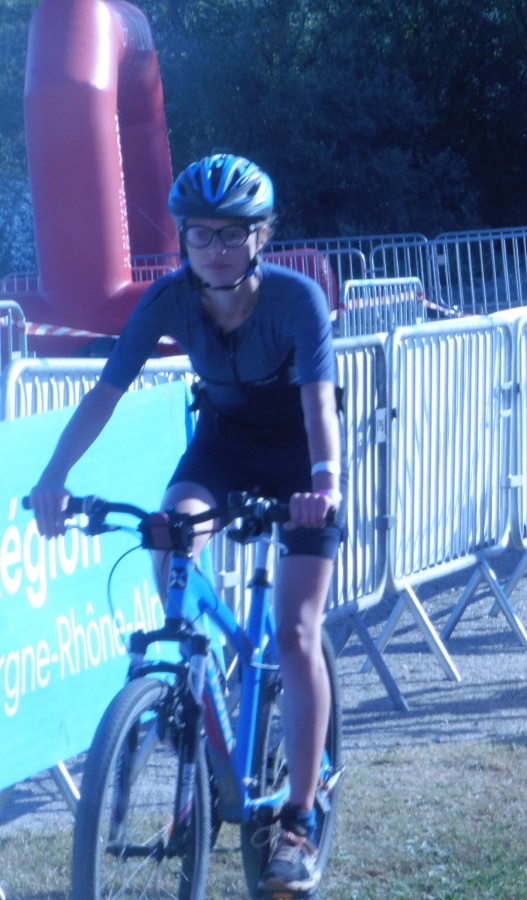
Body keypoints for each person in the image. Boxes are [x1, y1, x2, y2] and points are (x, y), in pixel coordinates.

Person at [27, 154, 345, 896]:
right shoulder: (169, 299)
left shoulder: (296, 299)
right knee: (167, 537)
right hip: (223, 445)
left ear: (263, 235)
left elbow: (319, 405)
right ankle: (200, 728)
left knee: (296, 631)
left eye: (233, 233)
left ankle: (299, 819)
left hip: (299, 455)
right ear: (183, 240)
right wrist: (52, 477)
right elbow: (105, 393)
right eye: (201, 234)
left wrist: (325, 486)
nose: (216, 249)